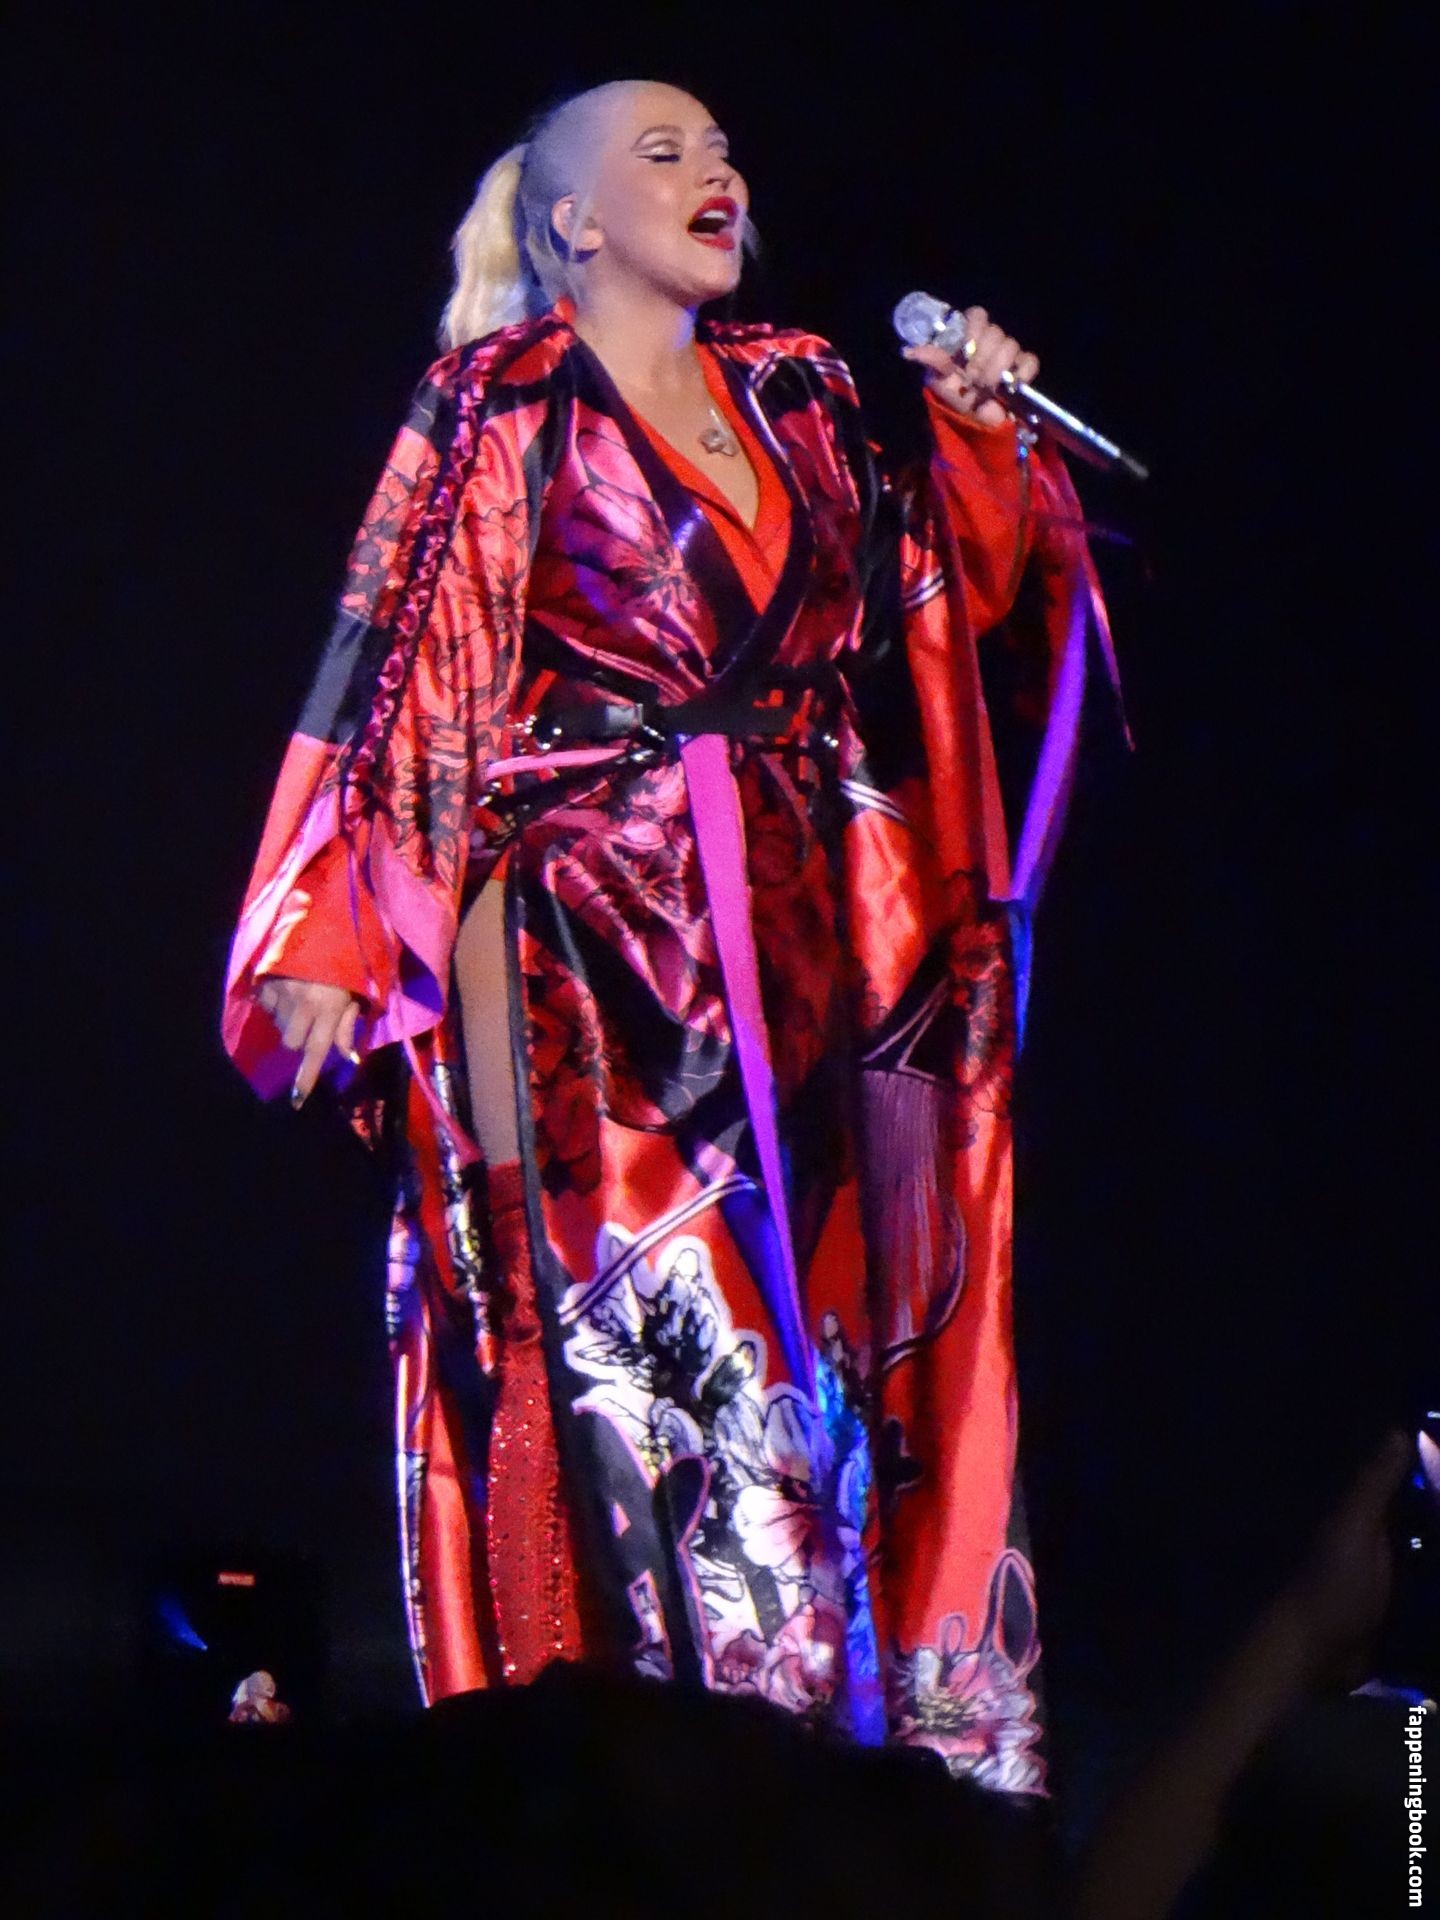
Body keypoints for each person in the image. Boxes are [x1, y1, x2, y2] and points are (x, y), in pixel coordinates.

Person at [222, 78, 1108, 1794]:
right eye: (662, 153)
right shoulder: (505, 398)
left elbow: (923, 610)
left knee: (825, 1373)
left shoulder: (800, 390)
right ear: (571, 221)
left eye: (719, 149)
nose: (717, 171)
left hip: (800, 943)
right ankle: (662, 1786)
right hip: (581, 940)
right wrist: (331, 923)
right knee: (652, 1361)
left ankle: (833, 1792)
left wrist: (980, 439)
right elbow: (402, 662)